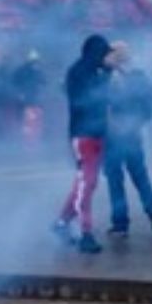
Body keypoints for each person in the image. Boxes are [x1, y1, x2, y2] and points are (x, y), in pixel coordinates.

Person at [53, 34, 111, 254]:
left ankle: (61, 223)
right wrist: (104, 79)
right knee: (86, 184)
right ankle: (85, 232)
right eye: (103, 53)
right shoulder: (78, 72)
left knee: (85, 183)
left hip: (96, 133)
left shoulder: (96, 70)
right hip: (83, 134)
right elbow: (82, 101)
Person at [104, 42, 152, 236]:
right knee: (140, 176)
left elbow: (103, 103)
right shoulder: (140, 77)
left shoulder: (110, 78)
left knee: (115, 181)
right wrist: (139, 122)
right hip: (133, 134)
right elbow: (149, 106)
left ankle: (120, 224)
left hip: (113, 136)